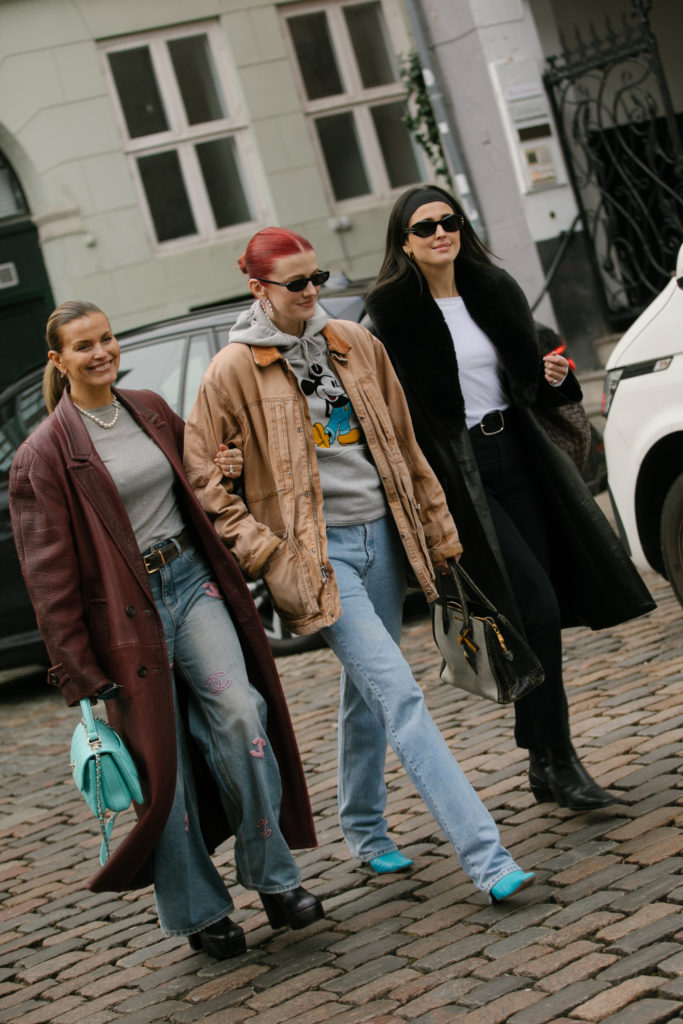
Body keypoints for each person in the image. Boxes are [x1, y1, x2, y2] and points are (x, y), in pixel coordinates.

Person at [183, 226, 534, 903]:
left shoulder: (354, 343)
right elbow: (205, 480)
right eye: (296, 284)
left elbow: (405, 446)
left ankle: (364, 828)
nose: (313, 293)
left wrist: (437, 533)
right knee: (398, 694)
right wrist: (266, 552)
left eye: (319, 279)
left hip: (382, 535)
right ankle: (488, 860)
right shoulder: (232, 370)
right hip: (318, 559)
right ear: (258, 289)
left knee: (367, 691)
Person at [9, 300, 324, 960]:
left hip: (191, 585)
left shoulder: (148, 405)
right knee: (164, 770)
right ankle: (200, 913)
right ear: (58, 360)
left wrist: (224, 467)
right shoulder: (44, 455)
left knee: (243, 717)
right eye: (84, 346)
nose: (101, 352)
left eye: (107, 338)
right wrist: (78, 668)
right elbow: (49, 576)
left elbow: (198, 473)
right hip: (123, 619)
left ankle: (273, 879)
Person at [364, 184, 656, 812]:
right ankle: (557, 757)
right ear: (405, 243)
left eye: (450, 221)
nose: (441, 233)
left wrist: (553, 377)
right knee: (536, 605)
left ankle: (548, 762)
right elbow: (386, 415)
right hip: (457, 475)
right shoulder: (388, 317)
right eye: (425, 227)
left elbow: (533, 383)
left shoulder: (493, 291)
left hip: (517, 455)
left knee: (534, 611)